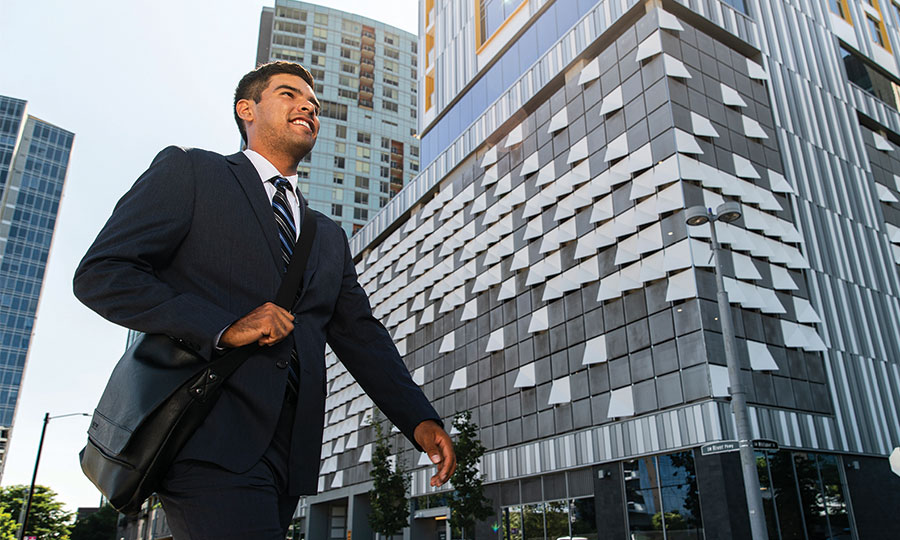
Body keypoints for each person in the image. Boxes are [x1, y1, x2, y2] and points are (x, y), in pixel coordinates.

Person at [74, 61, 455, 539]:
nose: (307, 107)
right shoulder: (192, 171)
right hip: (207, 434)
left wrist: (418, 418)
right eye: (289, 94)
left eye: (314, 105)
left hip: (289, 454)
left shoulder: (328, 236)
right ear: (246, 109)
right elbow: (102, 274)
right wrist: (223, 326)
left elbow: (360, 333)